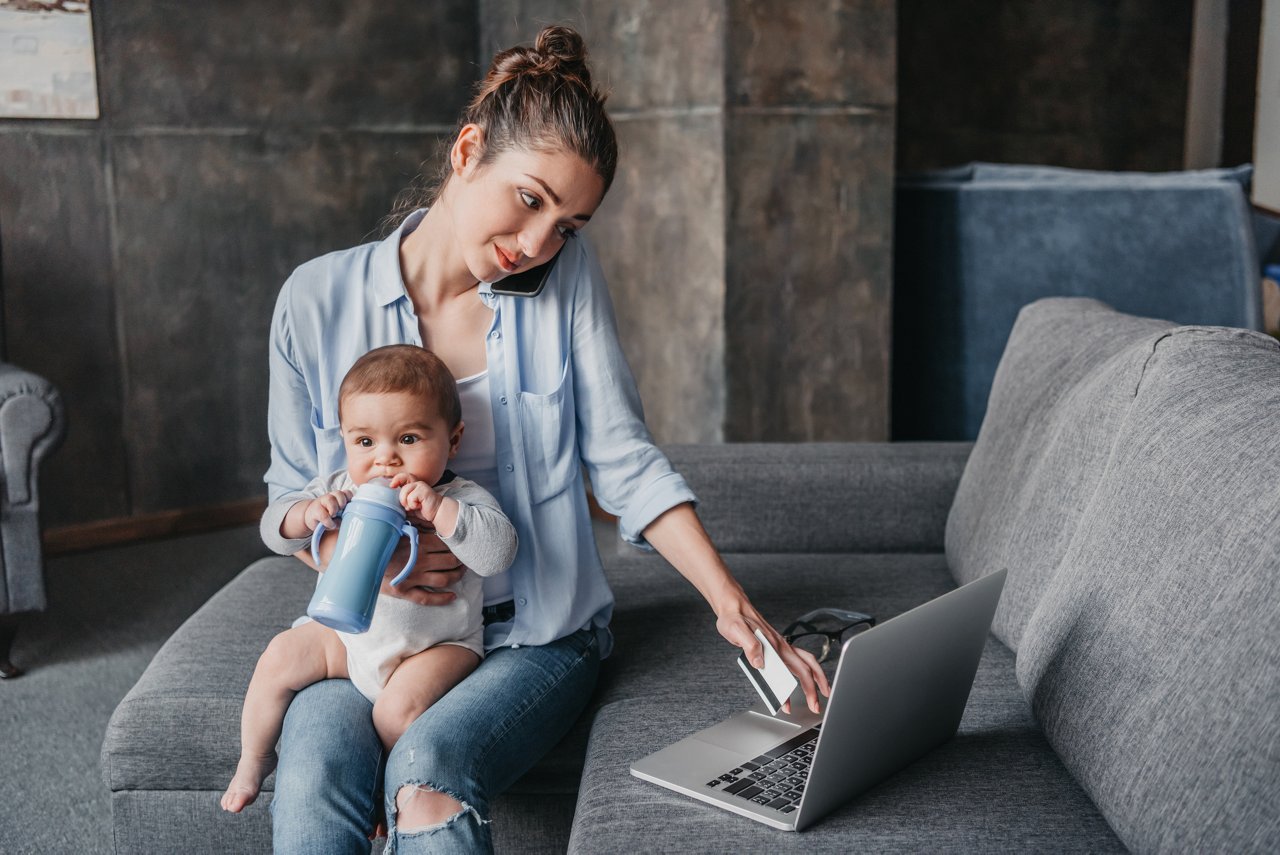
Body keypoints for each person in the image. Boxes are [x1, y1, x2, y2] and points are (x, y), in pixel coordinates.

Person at [263, 24, 829, 853]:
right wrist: (353, 552)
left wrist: (732, 603)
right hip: (374, 635)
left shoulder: (565, 282)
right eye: (530, 200)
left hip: (538, 638)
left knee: (427, 765)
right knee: (313, 771)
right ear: (467, 152)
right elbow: (287, 498)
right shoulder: (313, 302)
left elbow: (625, 461)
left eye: (568, 224)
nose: (537, 245)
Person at [222, 345, 517, 814]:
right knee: (280, 655)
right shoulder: (341, 489)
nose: (385, 460)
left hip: (437, 646)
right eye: (365, 442)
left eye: (408, 439)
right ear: (344, 439)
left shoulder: (460, 495)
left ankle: (388, 794)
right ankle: (254, 758)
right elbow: (272, 530)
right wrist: (306, 514)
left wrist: (440, 511)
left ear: (453, 439)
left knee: (397, 713)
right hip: (348, 638)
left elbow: (499, 553)